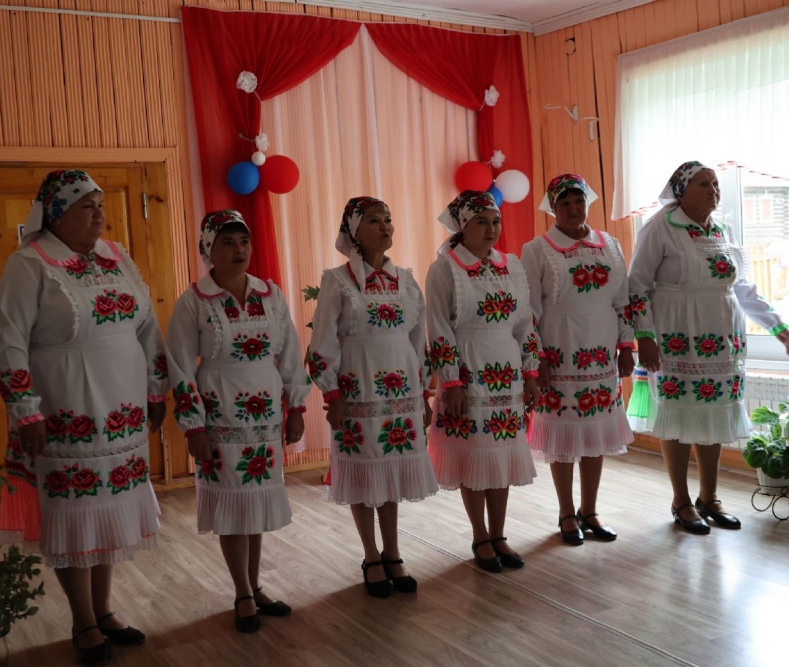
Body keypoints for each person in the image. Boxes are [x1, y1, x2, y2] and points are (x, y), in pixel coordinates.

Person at [0, 170, 167, 664]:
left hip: (122, 406)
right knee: (75, 509)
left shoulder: (116, 256)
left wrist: (156, 387)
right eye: (85, 206)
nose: (98, 215)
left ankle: (104, 610)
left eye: (100, 205)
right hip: (65, 404)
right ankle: (83, 619)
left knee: (107, 507)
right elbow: (8, 342)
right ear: (55, 214)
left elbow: (147, 325)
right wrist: (25, 410)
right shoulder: (30, 264)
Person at [628, 161, 789, 534]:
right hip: (675, 332)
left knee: (714, 411)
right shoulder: (660, 227)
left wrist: (778, 326)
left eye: (715, 184)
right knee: (676, 414)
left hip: (722, 336)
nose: (713, 190)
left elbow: (742, 287)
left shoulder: (723, 230)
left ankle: (709, 497)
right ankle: (681, 500)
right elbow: (637, 285)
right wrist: (643, 336)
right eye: (703, 184)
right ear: (681, 191)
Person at [166, 210, 308, 632]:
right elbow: (179, 365)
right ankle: (242, 591)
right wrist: (193, 426)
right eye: (227, 242)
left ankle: (255, 585)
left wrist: (296, 407)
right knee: (232, 500)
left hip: (264, 412)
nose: (239, 250)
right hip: (219, 410)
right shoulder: (194, 300)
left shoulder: (270, 294)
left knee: (254, 499)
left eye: (243, 241)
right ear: (209, 251)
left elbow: (289, 352)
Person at [306, 197, 438, 598]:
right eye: (374, 221)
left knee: (391, 469)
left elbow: (418, 341)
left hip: (402, 389)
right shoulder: (337, 280)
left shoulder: (406, 280)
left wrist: (423, 393)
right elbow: (322, 343)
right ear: (354, 232)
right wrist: (333, 394)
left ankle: (393, 552)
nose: (385, 227)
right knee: (364, 470)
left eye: (388, 220)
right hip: (357, 386)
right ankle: (370, 555)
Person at [426, 190, 540, 572]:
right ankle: (480, 536)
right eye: (481, 222)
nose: (491, 229)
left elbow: (524, 324)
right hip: (469, 369)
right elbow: (438, 327)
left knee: (500, 454)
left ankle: (499, 534)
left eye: (495, 222)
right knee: (474, 453)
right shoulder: (445, 268)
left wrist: (530, 372)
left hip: (506, 371)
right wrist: (451, 382)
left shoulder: (512, 266)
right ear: (462, 226)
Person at [522, 174, 634, 545]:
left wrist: (626, 345)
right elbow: (528, 310)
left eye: (578, 201)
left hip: (601, 352)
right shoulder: (537, 250)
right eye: (564, 203)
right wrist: (537, 358)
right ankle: (566, 512)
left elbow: (622, 301)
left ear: (588, 202)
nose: (573, 208)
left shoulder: (610, 244)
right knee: (564, 436)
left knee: (595, 432)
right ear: (552, 208)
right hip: (560, 351)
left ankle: (590, 510)